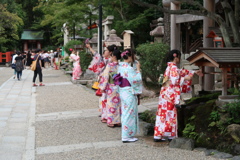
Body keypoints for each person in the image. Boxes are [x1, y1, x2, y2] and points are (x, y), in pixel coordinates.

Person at [153, 49, 202, 142]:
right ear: (176, 57)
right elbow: (175, 80)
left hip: (164, 93)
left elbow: (180, 72)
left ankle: (158, 135)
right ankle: (170, 135)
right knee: (170, 114)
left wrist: (193, 72)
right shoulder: (173, 67)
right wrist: (186, 78)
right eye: (179, 56)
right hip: (170, 94)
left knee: (162, 114)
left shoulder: (169, 67)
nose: (179, 59)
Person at [117, 49, 142, 143]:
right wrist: (138, 69)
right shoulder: (129, 69)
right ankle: (126, 136)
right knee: (129, 114)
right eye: (133, 55)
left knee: (125, 113)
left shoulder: (120, 66)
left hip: (123, 91)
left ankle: (126, 134)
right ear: (130, 56)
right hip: (128, 92)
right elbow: (136, 80)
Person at [98, 49, 122, 128]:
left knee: (111, 104)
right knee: (119, 104)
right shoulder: (121, 65)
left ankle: (111, 121)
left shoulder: (110, 65)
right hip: (120, 86)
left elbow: (106, 77)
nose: (110, 57)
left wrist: (102, 87)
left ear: (114, 56)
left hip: (112, 86)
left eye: (111, 56)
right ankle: (118, 121)